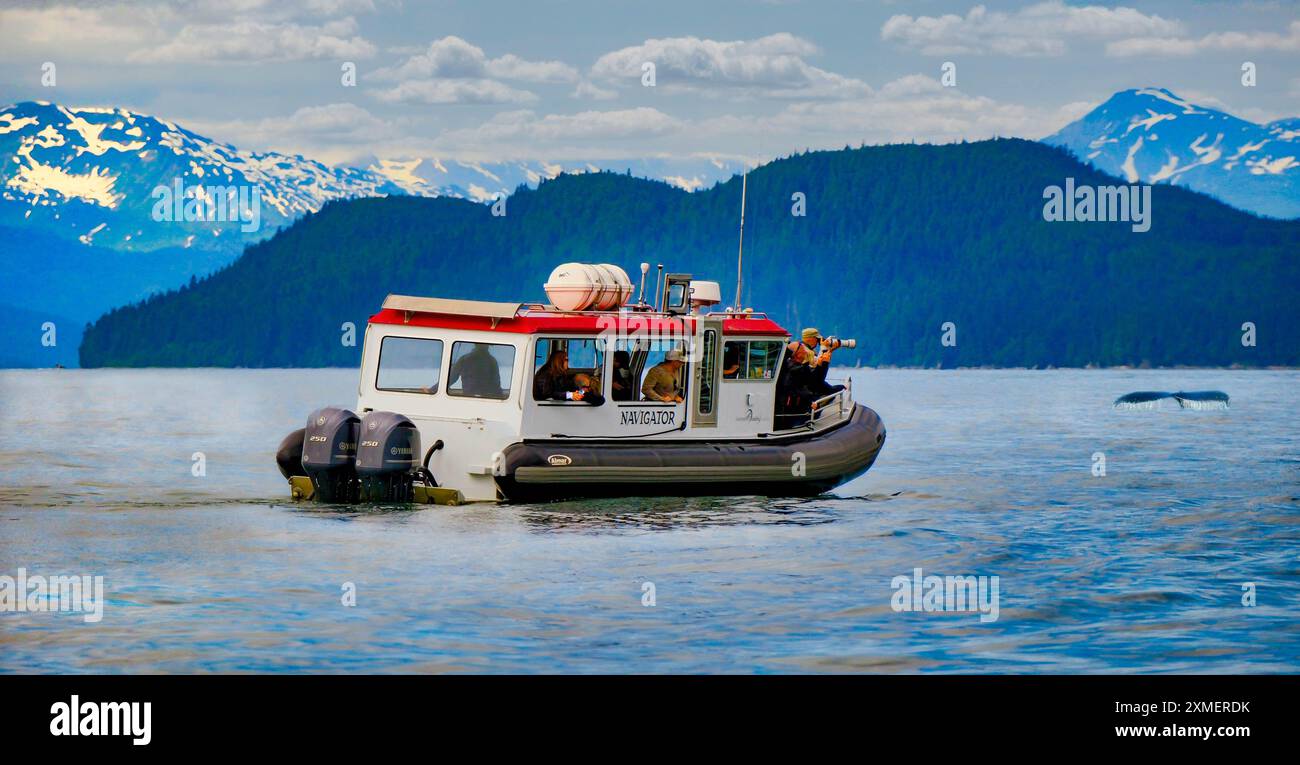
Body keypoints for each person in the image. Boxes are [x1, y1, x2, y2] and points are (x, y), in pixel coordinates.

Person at [775, 342, 818, 428]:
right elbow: (793, 388)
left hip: (789, 407)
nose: (805, 352)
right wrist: (810, 399)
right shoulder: (795, 369)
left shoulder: (789, 366)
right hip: (789, 411)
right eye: (803, 351)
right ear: (797, 354)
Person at [798, 327, 845, 398]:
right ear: (810, 339)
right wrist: (825, 350)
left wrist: (830, 350)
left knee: (837, 388)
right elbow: (818, 370)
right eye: (817, 339)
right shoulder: (805, 351)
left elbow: (819, 365)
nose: (818, 342)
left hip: (810, 386)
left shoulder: (805, 349)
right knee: (839, 388)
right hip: (809, 389)